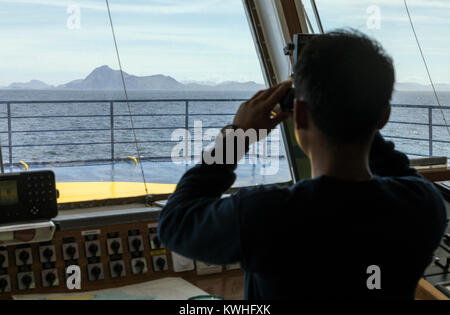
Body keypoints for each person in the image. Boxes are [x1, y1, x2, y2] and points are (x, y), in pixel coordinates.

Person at [158, 30, 448, 299]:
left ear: (298, 114)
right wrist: (358, 110)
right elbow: (398, 170)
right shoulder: (424, 206)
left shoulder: (265, 215)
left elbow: (174, 223)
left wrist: (237, 137)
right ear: (383, 117)